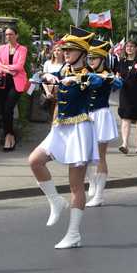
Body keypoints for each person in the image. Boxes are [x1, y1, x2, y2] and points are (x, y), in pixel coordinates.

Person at [28, 26, 102, 249]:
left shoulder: (88, 74)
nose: (65, 53)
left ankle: (73, 233)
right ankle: (55, 201)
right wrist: (47, 77)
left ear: (81, 53)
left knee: (76, 185)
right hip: (59, 128)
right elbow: (38, 76)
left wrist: (78, 81)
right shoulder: (62, 70)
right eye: (64, 49)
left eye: (70, 50)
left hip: (79, 130)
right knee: (34, 161)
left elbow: (102, 82)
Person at [84, 40, 123, 208]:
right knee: (83, 156)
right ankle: (92, 181)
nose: (91, 61)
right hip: (85, 115)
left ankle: (99, 195)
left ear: (102, 59)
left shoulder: (108, 75)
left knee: (100, 157)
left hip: (101, 116)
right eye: (89, 58)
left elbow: (119, 84)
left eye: (94, 58)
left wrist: (108, 79)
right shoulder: (85, 72)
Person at [0, 26, 28, 151]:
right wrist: (6, 69)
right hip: (3, 82)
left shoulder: (22, 49)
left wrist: (5, 66)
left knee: (8, 108)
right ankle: (10, 135)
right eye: (6, 34)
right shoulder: (2, 48)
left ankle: (8, 137)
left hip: (17, 83)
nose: (8, 37)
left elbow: (19, 66)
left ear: (16, 35)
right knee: (4, 111)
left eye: (11, 34)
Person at [42, 42, 65, 121]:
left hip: (61, 94)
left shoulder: (66, 65)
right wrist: (47, 92)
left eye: (59, 50)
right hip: (49, 93)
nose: (56, 52)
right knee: (51, 116)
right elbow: (43, 80)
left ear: (63, 52)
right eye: (55, 50)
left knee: (58, 116)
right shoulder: (47, 63)